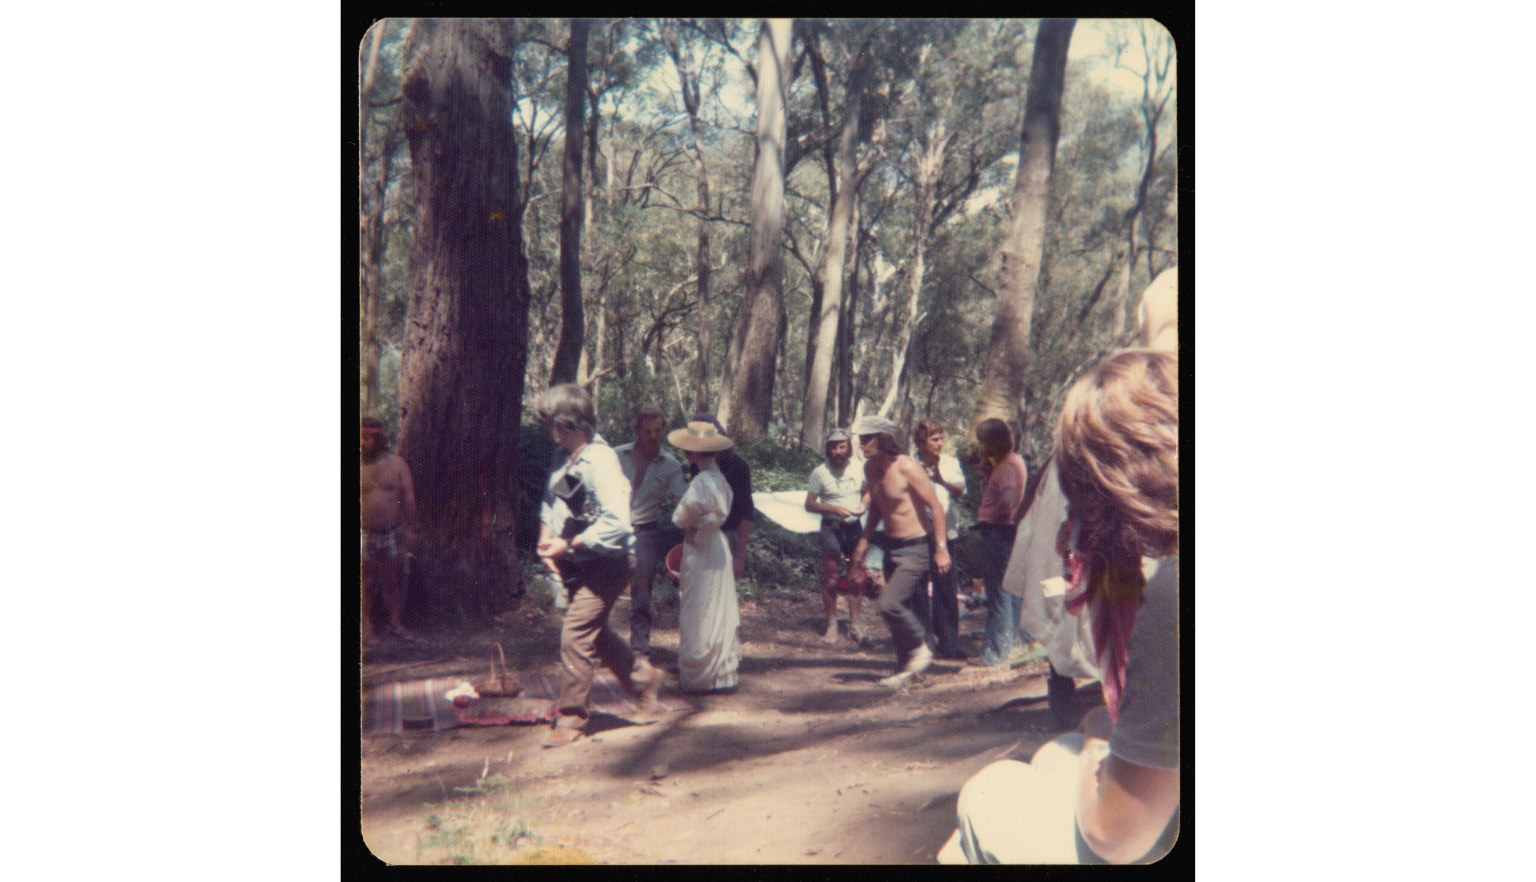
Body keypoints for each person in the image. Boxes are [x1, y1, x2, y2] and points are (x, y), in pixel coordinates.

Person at [938, 349, 1179, 864]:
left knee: (990, 791)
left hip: (1137, 824)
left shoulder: (1170, 601)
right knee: (1052, 756)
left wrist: (1097, 732)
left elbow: (1115, 835)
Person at [535, 383, 660, 747]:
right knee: (594, 632)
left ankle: (572, 718)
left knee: (575, 632)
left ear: (567, 423)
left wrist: (569, 542)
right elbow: (551, 502)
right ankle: (640, 679)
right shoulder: (563, 457)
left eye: (549, 422)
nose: (546, 428)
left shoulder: (602, 461)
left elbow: (617, 524)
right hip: (577, 560)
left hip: (610, 561)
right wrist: (547, 541)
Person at [849, 416, 951, 688]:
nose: (860, 444)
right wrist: (864, 542)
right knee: (897, 611)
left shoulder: (908, 467)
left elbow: (936, 507)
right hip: (891, 547)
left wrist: (941, 548)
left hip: (917, 548)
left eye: (866, 439)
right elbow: (877, 508)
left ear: (883, 439)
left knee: (888, 604)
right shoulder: (870, 469)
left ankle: (921, 649)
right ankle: (905, 670)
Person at [669, 421, 742, 693]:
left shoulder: (701, 481)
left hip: (700, 547)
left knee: (699, 605)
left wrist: (693, 525)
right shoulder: (721, 479)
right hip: (717, 547)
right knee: (717, 604)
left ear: (693, 453)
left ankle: (700, 676)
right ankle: (721, 675)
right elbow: (720, 514)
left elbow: (680, 517)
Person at [615, 404, 688, 659]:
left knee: (642, 593)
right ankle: (596, 646)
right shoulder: (617, 455)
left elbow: (684, 502)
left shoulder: (670, 465)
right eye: (648, 431)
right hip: (612, 530)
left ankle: (639, 649)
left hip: (645, 533)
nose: (653, 436)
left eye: (658, 431)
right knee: (600, 588)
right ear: (637, 429)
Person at [972, 418, 1029, 667]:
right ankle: (1015, 647)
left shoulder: (1007, 465)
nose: (982, 448)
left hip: (998, 532)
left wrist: (989, 515)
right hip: (1007, 532)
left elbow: (1008, 498)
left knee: (999, 595)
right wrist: (986, 470)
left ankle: (996, 654)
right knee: (1010, 593)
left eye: (984, 443)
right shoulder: (1011, 462)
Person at [806, 428, 869, 644]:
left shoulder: (860, 469)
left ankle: (855, 624)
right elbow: (810, 504)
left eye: (842, 446)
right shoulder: (819, 472)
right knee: (832, 578)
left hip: (853, 531)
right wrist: (832, 508)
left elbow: (868, 491)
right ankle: (831, 625)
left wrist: (863, 503)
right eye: (833, 447)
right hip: (831, 530)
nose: (838, 451)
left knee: (854, 576)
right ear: (828, 449)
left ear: (849, 448)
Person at [913, 419, 967, 659]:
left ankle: (949, 643)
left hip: (945, 533)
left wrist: (941, 480)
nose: (940, 443)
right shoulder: (909, 463)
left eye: (942, 438)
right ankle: (923, 643)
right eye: (934, 439)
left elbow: (960, 490)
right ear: (920, 442)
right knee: (918, 589)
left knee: (945, 588)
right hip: (917, 532)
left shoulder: (950, 463)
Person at [361, 417, 418, 643]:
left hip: (392, 532)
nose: (362, 443)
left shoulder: (397, 464)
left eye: (366, 438)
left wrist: (411, 529)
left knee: (391, 580)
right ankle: (367, 627)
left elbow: (408, 498)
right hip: (364, 533)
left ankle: (395, 623)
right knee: (365, 582)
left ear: (378, 438)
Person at [690, 412, 754, 580]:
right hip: (702, 533)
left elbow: (746, 513)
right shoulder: (697, 465)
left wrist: (740, 556)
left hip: (729, 534)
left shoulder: (738, 466)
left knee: (724, 587)